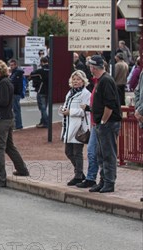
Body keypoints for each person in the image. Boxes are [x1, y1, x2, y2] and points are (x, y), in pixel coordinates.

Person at [0, 60, 29, 188]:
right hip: (7, 118)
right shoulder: (5, 82)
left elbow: (3, 101)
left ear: (2, 70)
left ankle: (1, 178)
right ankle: (22, 169)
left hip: (2, 119)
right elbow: (5, 98)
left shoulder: (3, 83)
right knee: (9, 146)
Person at [86, 55, 122, 193]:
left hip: (108, 123)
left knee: (108, 153)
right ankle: (104, 180)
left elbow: (110, 104)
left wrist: (102, 121)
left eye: (90, 66)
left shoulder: (105, 81)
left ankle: (109, 182)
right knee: (101, 154)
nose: (90, 68)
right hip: (104, 123)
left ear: (93, 67)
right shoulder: (102, 80)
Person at [59, 70, 91, 186]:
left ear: (83, 81)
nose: (75, 81)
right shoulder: (70, 92)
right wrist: (63, 110)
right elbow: (67, 105)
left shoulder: (86, 94)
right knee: (68, 152)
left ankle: (78, 176)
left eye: (78, 79)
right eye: (74, 79)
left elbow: (85, 111)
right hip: (69, 125)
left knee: (77, 152)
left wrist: (70, 112)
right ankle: (80, 173)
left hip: (79, 127)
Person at [30, 56, 50, 128]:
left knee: (42, 108)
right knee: (45, 107)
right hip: (49, 91)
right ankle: (43, 122)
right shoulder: (51, 69)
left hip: (41, 90)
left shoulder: (41, 71)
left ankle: (46, 122)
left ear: (42, 62)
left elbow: (32, 74)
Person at [8, 59, 24, 130]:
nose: (11, 67)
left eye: (12, 65)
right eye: (10, 65)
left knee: (16, 109)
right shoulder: (15, 72)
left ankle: (18, 125)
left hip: (15, 93)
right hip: (15, 93)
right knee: (16, 109)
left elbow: (12, 81)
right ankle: (17, 124)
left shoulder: (17, 73)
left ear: (15, 65)